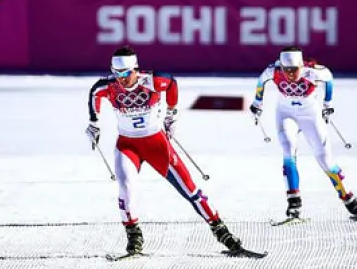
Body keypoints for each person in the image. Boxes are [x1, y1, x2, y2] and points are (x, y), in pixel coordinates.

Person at [85, 45, 243, 255]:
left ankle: (222, 232)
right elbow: (94, 93)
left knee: (189, 189)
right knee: (126, 188)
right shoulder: (108, 86)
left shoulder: (153, 81)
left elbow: (171, 84)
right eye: (117, 73)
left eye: (126, 73)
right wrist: (94, 123)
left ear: (136, 69)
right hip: (128, 145)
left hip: (156, 144)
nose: (121, 79)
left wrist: (171, 114)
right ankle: (134, 237)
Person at [249, 46, 357, 221]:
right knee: (288, 151)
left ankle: (350, 202)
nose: (290, 74)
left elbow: (328, 78)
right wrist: (257, 102)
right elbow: (261, 81)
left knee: (325, 160)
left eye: (294, 69)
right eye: (287, 70)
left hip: (310, 116)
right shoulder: (273, 70)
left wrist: (327, 103)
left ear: (301, 65)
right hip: (286, 114)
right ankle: (293, 203)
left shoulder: (312, 71)